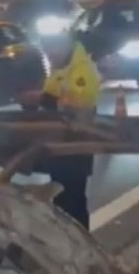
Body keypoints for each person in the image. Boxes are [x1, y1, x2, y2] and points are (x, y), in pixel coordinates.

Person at [37, 33, 101, 229]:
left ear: (63, 47)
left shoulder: (81, 71)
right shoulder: (63, 69)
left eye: (51, 52)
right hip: (60, 146)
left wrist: (44, 100)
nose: (49, 57)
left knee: (73, 202)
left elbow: (76, 111)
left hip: (75, 147)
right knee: (61, 201)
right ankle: (69, 241)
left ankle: (81, 243)